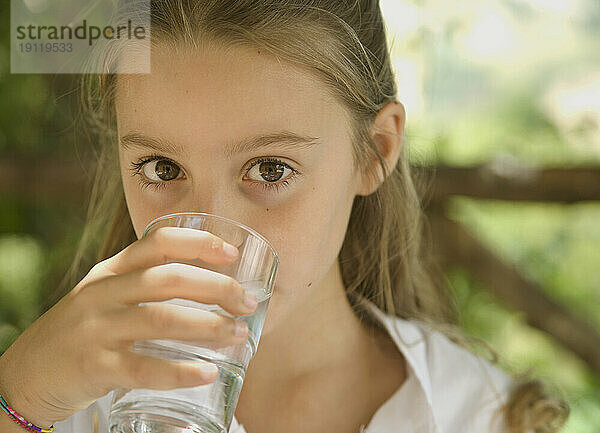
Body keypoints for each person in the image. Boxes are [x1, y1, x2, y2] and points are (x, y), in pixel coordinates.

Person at [0, 1, 569, 432]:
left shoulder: (479, 416)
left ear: (375, 152)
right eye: (162, 167)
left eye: (270, 170)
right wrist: (16, 395)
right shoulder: (62, 404)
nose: (209, 239)